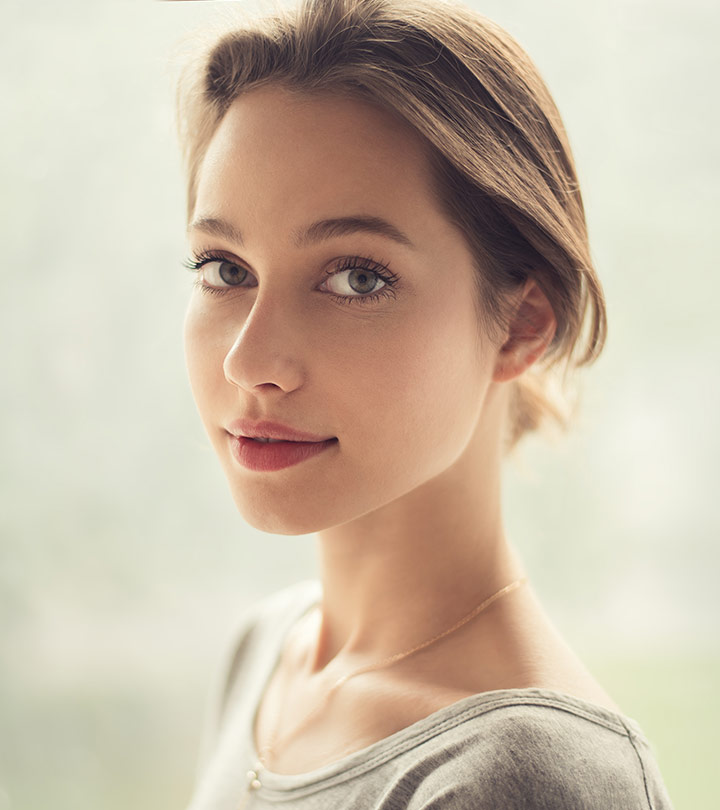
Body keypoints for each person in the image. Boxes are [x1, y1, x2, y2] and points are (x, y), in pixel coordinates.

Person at [173, 0, 675, 807]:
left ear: (522, 322)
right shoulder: (266, 655)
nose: (251, 361)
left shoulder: (525, 776)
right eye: (224, 268)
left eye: (357, 278)